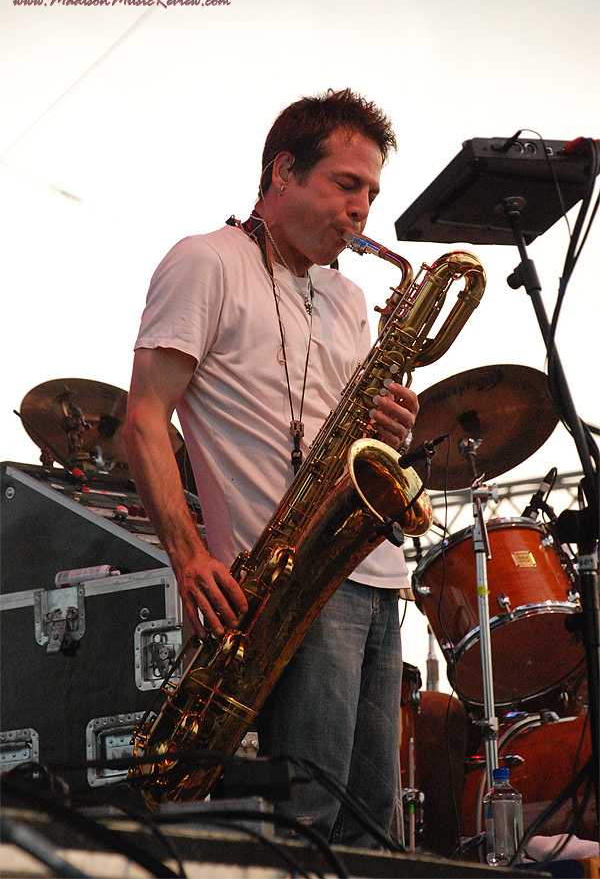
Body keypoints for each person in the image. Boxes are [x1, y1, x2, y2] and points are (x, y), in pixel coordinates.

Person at [123, 88, 419, 848]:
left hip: (377, 574)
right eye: (346, 185)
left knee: (370, 832)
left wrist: (390, 425)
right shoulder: (205, 261)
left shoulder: (350, 295)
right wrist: (188, 556)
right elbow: (144, 418)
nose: (362, 210)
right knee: (304, 828)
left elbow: (349, 435)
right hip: (293, 582)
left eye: (372, 193)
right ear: (282, 172)